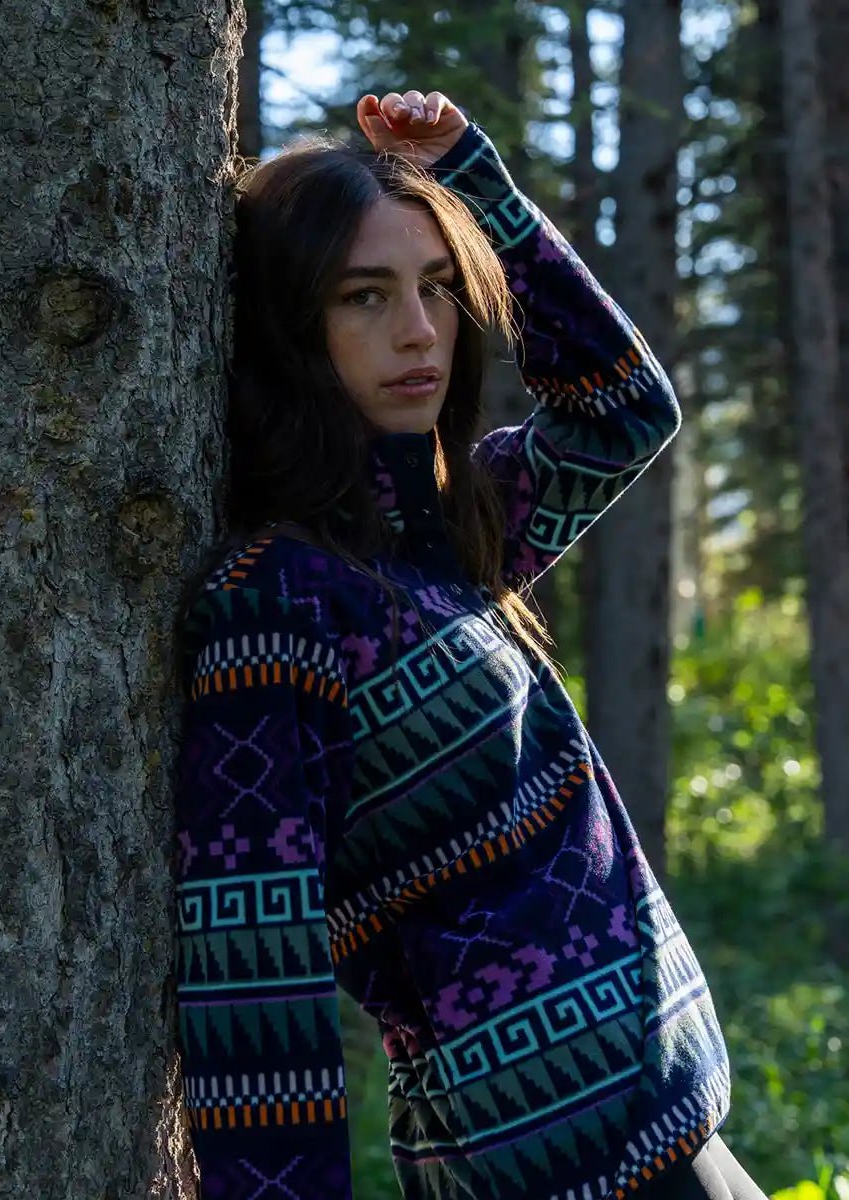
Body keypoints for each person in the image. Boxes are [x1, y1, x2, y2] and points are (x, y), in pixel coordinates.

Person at [172, 89, 767, 1200]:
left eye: (438, 288)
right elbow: (252, 972)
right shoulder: (278, 605)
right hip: (545, 1166)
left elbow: (625, 413)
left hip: (676, 1119)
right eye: (364, 296)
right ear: (287, 326)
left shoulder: (449, 529)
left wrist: (468, 178)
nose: (419, 331)